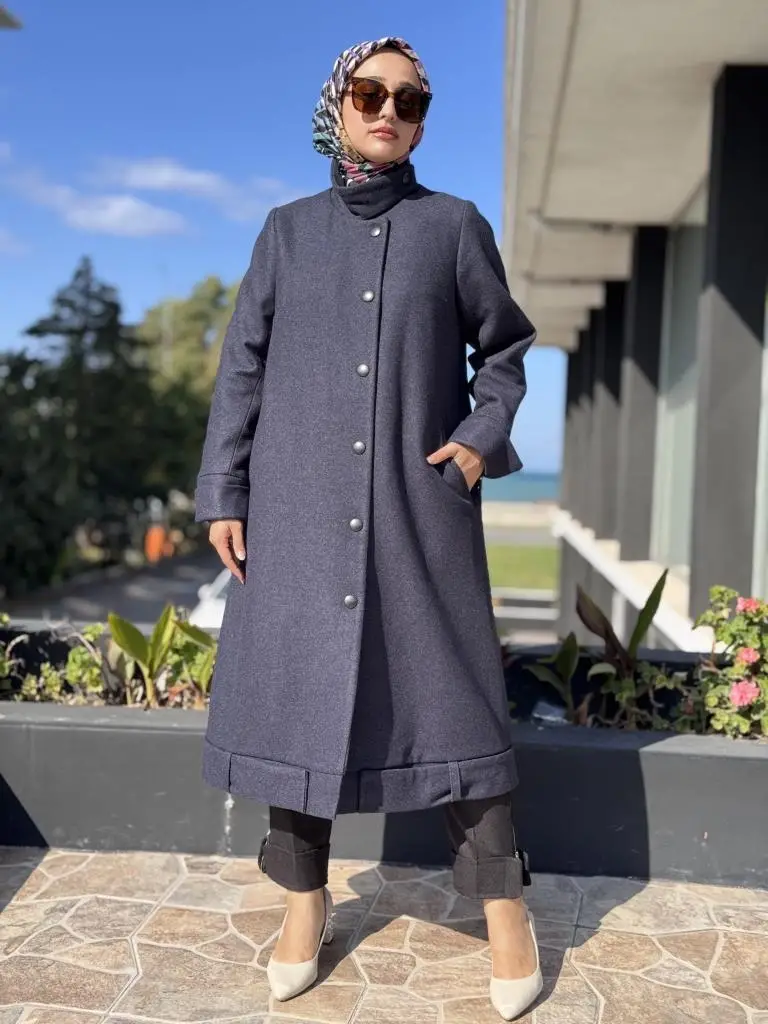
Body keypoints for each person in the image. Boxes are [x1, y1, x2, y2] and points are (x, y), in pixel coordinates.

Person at [195, 36, 541, 1021]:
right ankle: (304, 903)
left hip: (414, 506)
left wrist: (475, 443)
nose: (389, 110)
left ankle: (506, 910)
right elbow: (242, 366)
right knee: (295, 699)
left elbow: (505, 350)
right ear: (337, 106)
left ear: (421, 120)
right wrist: (223, 491)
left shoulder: (454, 227)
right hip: (294, 508)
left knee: (457, 703)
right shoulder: (285, 233)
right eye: (370, 93)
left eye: (410, 99)